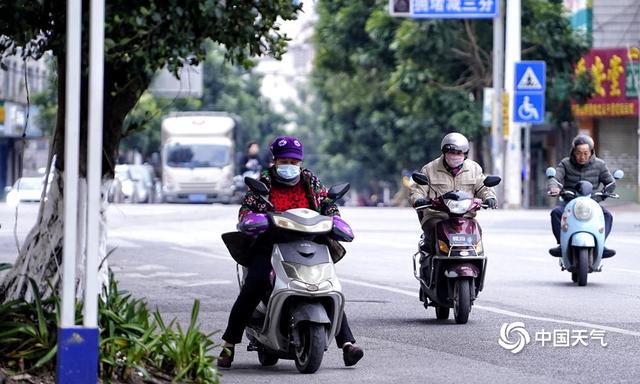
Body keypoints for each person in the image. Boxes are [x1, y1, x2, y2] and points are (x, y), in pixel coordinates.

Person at [218, 135, 364, 369]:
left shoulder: (310, 180)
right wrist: (255, 219)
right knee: (254, 284)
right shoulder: (263, 182)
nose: (290, 167)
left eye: (294, 162)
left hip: (310, 243)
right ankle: (228, 344)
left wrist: (335, 218)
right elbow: (246, 211)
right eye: (284, 161)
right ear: (275, 161)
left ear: (300, 163)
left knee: (325, 284)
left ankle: (347, 344)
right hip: (271, 244)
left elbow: (327, 203)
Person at [408, 132, 497, 254]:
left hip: (465, 216)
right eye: (451, 153)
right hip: (437, 216)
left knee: (476, 230)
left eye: (459, 153)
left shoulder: (474, 168)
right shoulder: (429, 169)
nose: (455, 156)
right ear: (444, 152)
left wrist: (490, 197)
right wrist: (418, 199)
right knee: (432, 231)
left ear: (465, 155)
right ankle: (429, 259)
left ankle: (475, 259)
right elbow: (418, 190)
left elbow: (483, 187)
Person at [547, 134, 615, 255]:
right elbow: (555, 178)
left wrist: (605, 193)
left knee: (607, 216)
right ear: (573, 152)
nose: (582, 156)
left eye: (585, 153)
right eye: (578, 153)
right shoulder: (565, 163)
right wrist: (554, 187)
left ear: (591, 152)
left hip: (592, 203)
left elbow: (610, 182)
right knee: (556, 213)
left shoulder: (600, 164)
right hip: (570, 202)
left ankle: (601, 245)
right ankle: (562, 245)